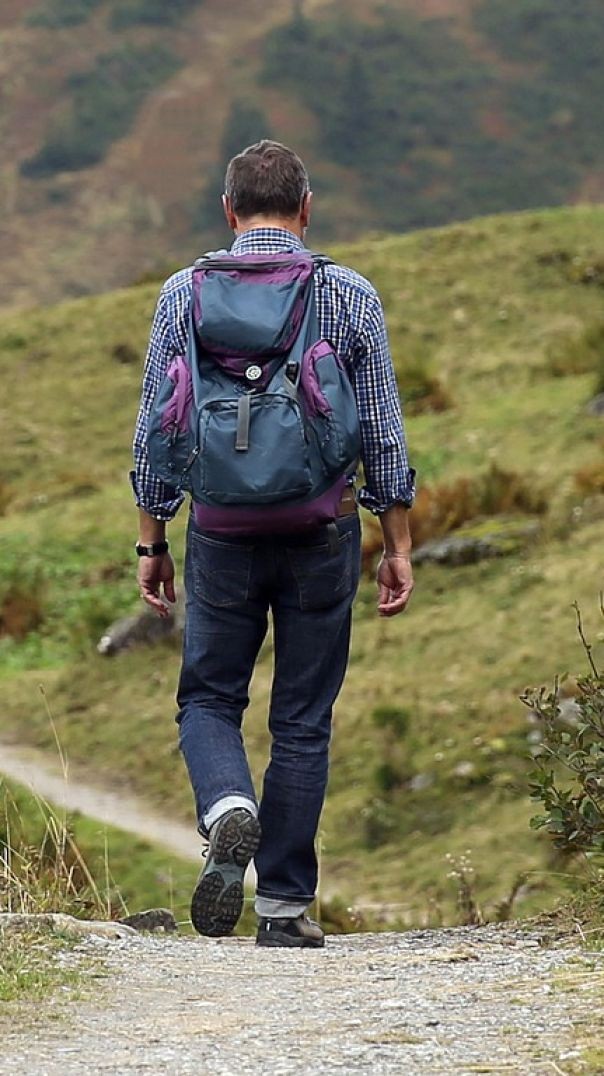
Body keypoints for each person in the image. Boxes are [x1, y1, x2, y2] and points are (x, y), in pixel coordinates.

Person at [132, 140, 415, 949]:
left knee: (209, 697)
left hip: (219, 530)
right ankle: (285, 908)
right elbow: (384, 433)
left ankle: (228, 806)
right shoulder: (349, 294)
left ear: (228, 211)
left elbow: (158, 424)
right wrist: (396, 541)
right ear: (306, 207)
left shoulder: (183, 293)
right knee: (302, 717)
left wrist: (152, 538)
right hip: (322, 528)